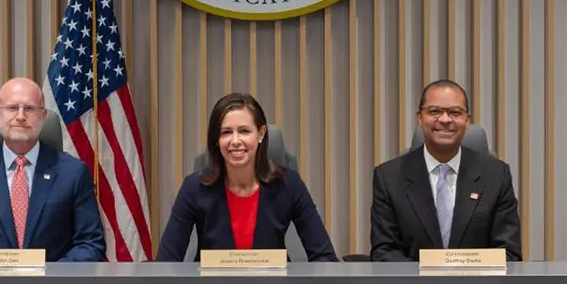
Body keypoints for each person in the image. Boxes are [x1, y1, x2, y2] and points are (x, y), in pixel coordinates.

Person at [156, 92, 338, 261]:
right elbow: (166, 262)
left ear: (261, 134)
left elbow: (325, 258)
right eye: (226, 132)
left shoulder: (289, 185)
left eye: (244, 131)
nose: (235, 141)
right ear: (216, 140)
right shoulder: (193, 188)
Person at [0, 77, 106, 262]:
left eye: (29, 108)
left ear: (43, 116)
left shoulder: (74, 174)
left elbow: (91, 245)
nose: (20, 116)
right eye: (12, 108)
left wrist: (45, 275)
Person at [370, 79, 522, 261]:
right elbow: (384, 252)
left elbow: (508, 253)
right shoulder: (389, 177)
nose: (444, 119)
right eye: (434, 111)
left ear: (467, 120)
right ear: (419, 117)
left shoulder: (497, 176)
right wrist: (428, 281)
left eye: (455, 112)